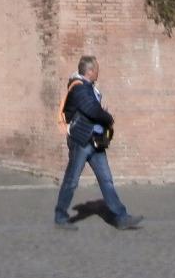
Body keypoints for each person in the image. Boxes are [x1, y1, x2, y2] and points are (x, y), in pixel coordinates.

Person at [53, 55, 142, 231]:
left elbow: (93, 110)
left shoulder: (88, 88)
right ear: (90, 71)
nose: (98, 72)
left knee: (106, 179)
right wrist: (108, 117)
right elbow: (92, 110)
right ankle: (60, 217)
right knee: (72, 180)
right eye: (97, 70)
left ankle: (121, 217)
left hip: (95, 142)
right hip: (81, 142)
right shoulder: (79, 88)